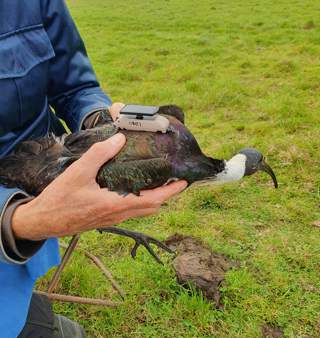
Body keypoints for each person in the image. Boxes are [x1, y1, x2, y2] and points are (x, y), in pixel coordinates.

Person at [0, 1, 187, 337]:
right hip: (20, 217)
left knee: (20, 291)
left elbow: (75, 86)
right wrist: (20, 220)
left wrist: (101, 127)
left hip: (45, 184)